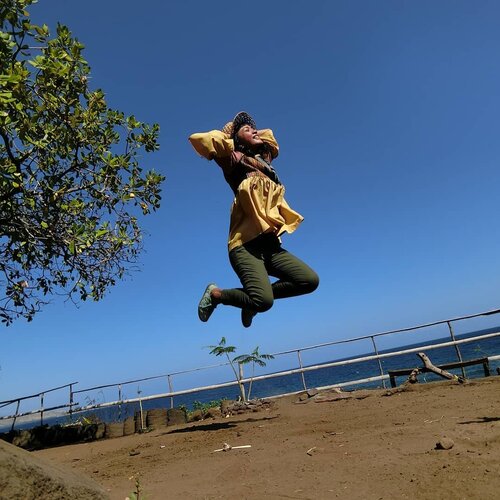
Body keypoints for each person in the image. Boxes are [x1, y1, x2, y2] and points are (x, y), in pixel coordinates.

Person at [189, 111, 319, 328]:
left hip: (270, 246)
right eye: (247, 130)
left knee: (309, 281)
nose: (255, 131)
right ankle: (216, 294)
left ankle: (250, 303)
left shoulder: (265, 162)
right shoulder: (233, 162)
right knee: (263, 301)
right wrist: (232, 136)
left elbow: (270, 138)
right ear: (235, 139)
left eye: (254, 128)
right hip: (245, 246)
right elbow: (201, 139)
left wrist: (249, 132)